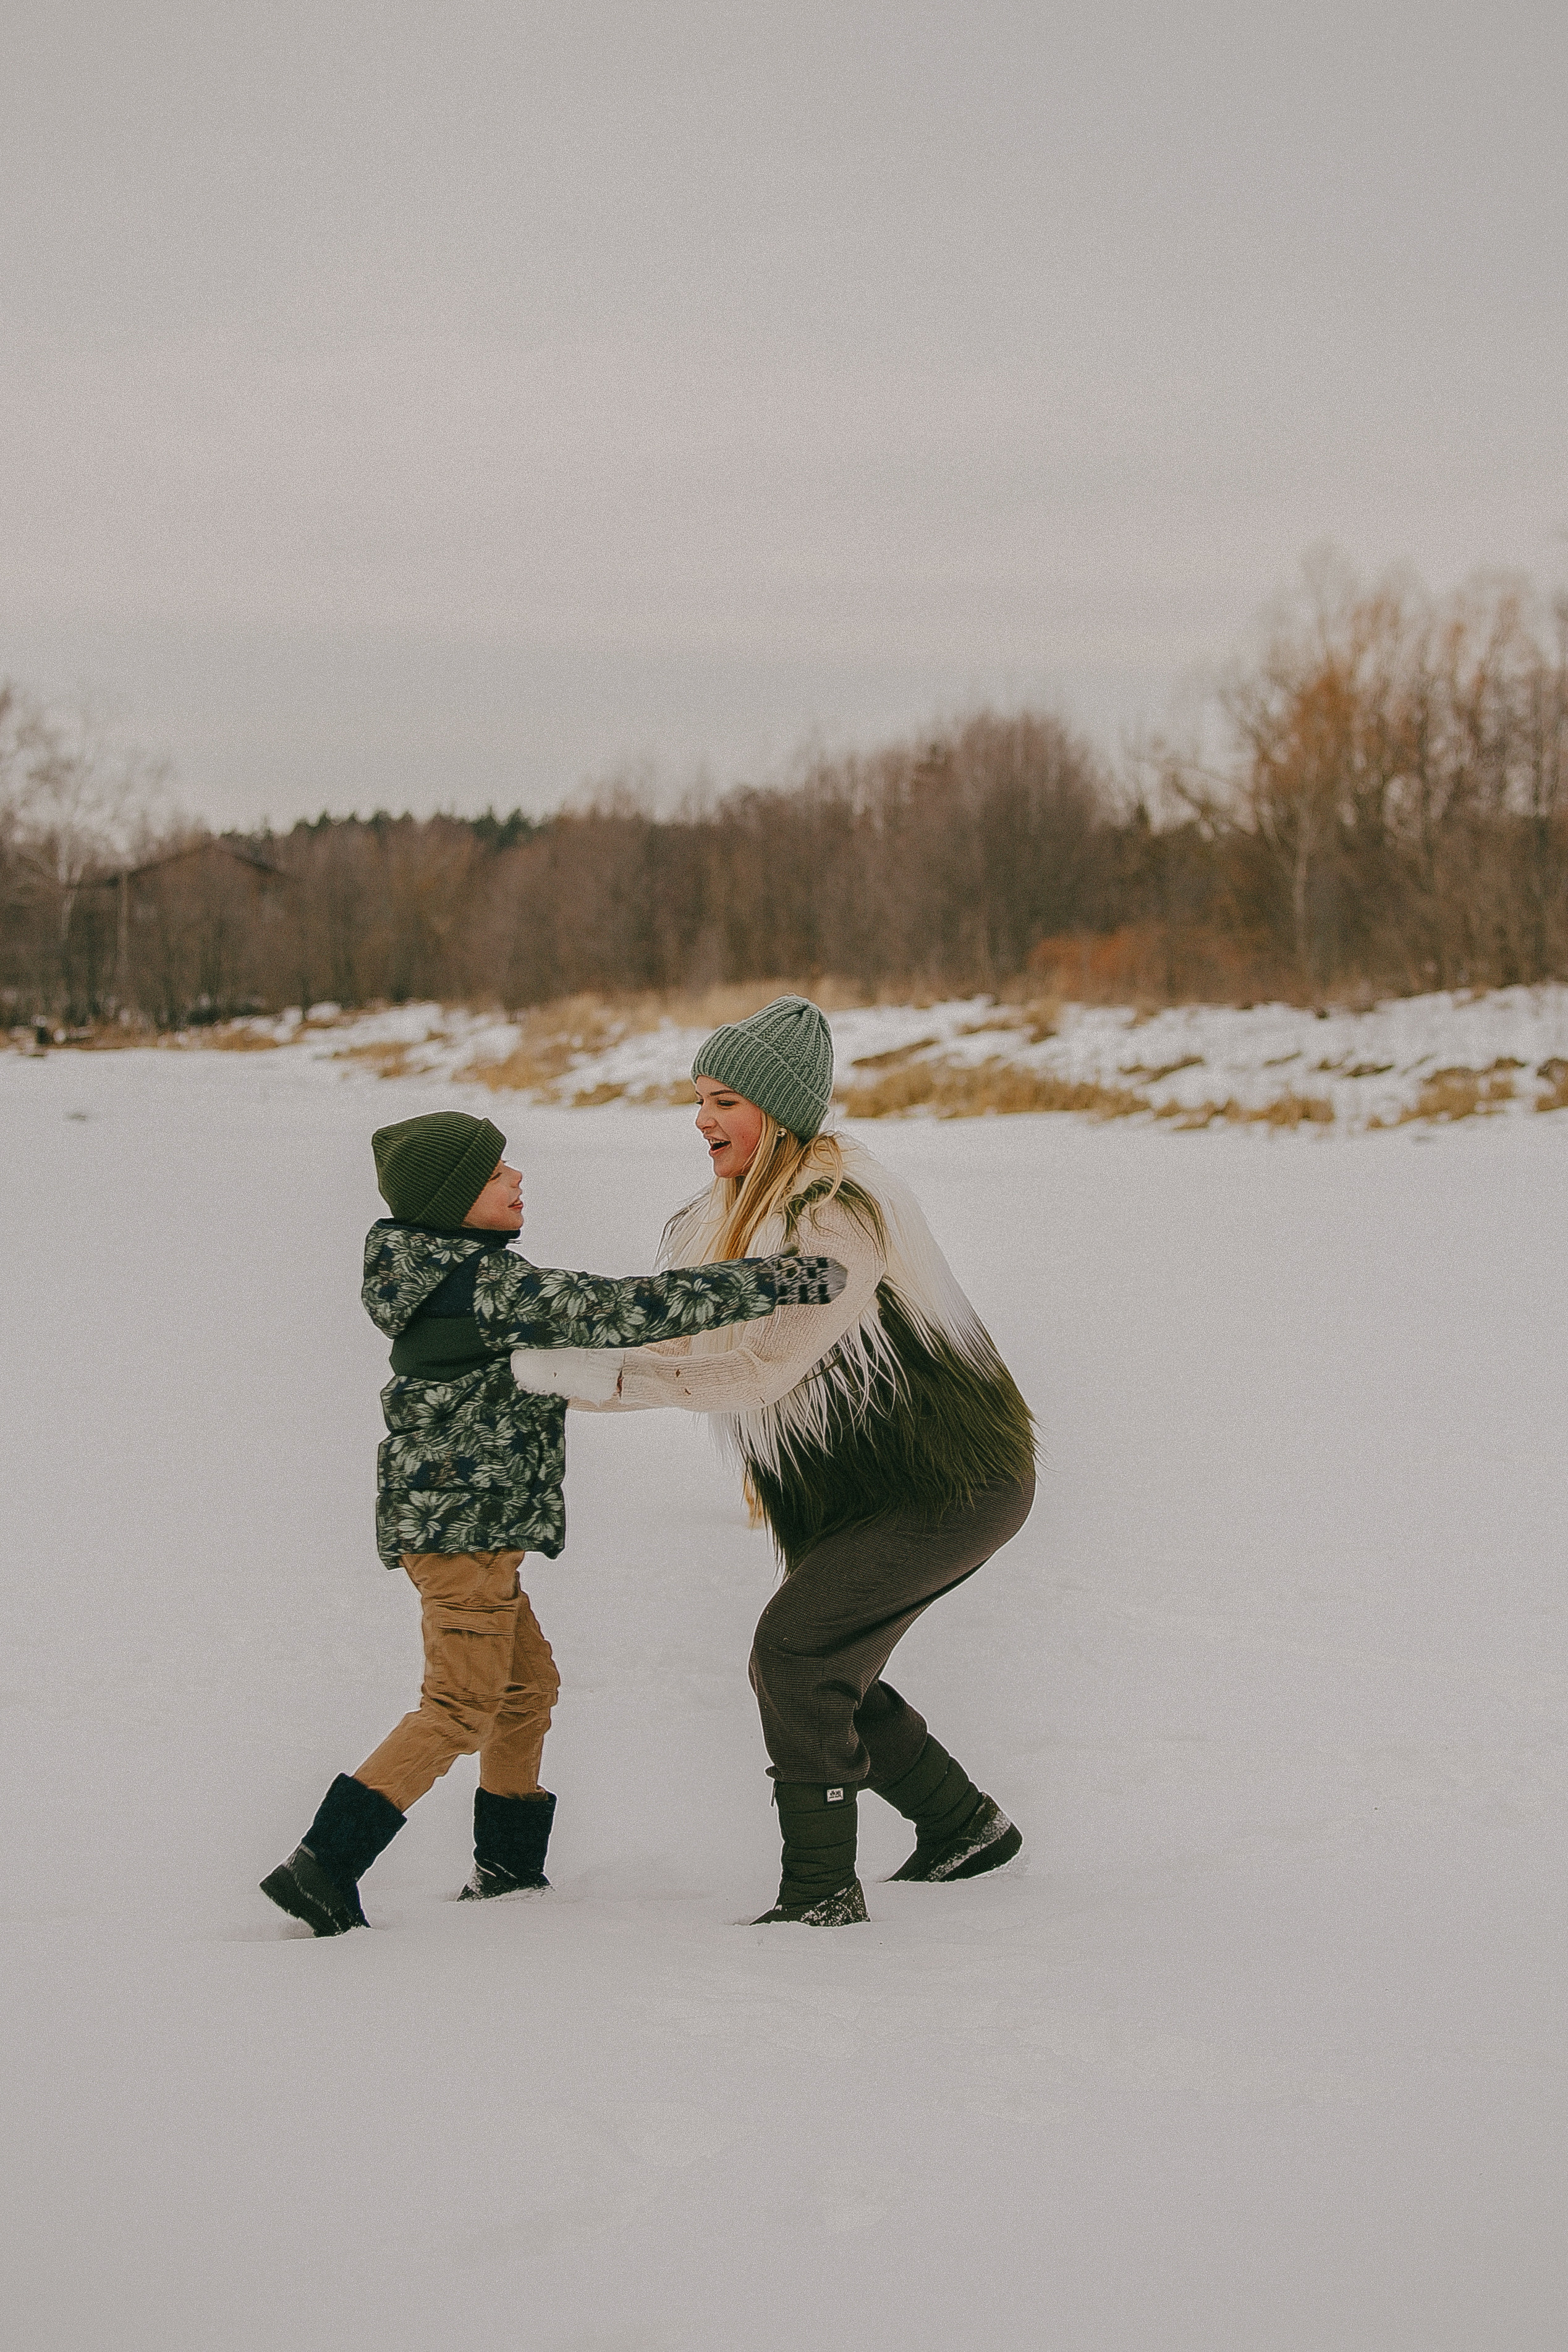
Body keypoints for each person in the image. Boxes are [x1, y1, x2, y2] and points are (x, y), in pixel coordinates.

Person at [261, 1108, 847, 1937]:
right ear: (452, 1199)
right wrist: (774, 1282)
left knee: (524, 1690)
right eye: (495, 1174)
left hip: (471, 1532)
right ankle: (322, 1864)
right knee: (459, 1705)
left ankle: (507, 1870)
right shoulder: (482, 1285)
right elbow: (621, 1309)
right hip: (458, 1537)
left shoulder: (450, 1272)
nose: (516, 1180)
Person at [514, 998, 1036, 1925]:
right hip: (856, 1490)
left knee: (795, 1654)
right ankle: (965, 1826)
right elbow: (688, 1341)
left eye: (724, 1100)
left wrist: (596, 1380)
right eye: (699, 1099)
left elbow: (762, 1368)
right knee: (820, 1661)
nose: (702, 1119)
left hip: (944, 1485)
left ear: (781, 1111)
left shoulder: (836, 1222)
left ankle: (821, 1891)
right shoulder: (719, 1219)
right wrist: (571, 1359)